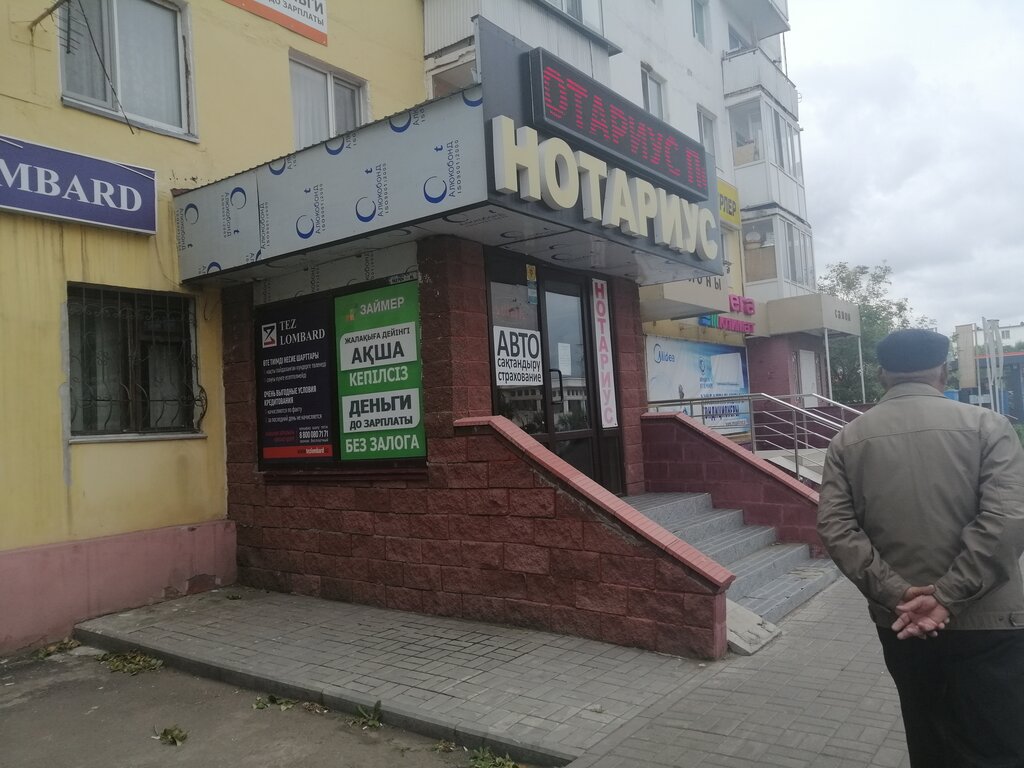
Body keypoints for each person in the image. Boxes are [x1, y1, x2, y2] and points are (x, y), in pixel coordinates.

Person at [818, 328, 1024, 768]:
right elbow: (1006, 520)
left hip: (903, 623)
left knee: (927, 736)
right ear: (943, 372)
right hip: (990, 621)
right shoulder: (989, 426)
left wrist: (896, 594)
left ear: (882, 375)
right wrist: (947, 597)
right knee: (997, 743)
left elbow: (836, 528)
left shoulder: (847, 440)